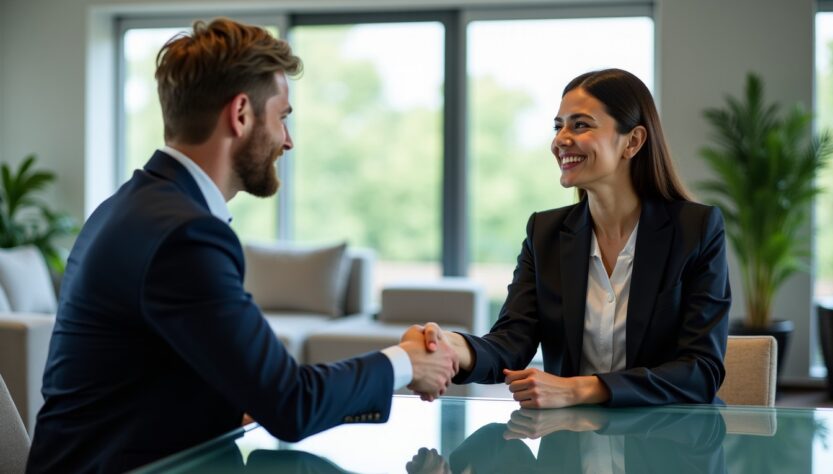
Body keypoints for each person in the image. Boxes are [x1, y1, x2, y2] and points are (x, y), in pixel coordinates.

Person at [26, 18, 457, 473]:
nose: (287, 141)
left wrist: (266, 396)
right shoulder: (183, 235)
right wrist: (404, 363)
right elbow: (290, 404)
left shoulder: (128, 208)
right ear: (241, 115)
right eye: (282, 118)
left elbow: (246, 389)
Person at [410, 68, 730, 408]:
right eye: (558, 126)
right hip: (569, 447)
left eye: (580, 125)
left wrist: (579, 389)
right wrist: (452, 347)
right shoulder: (544, 234)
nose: (560, 140)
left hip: (667, 447)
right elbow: (510, 343)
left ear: (633, 141)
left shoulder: (696, 230)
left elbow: (701, 371)